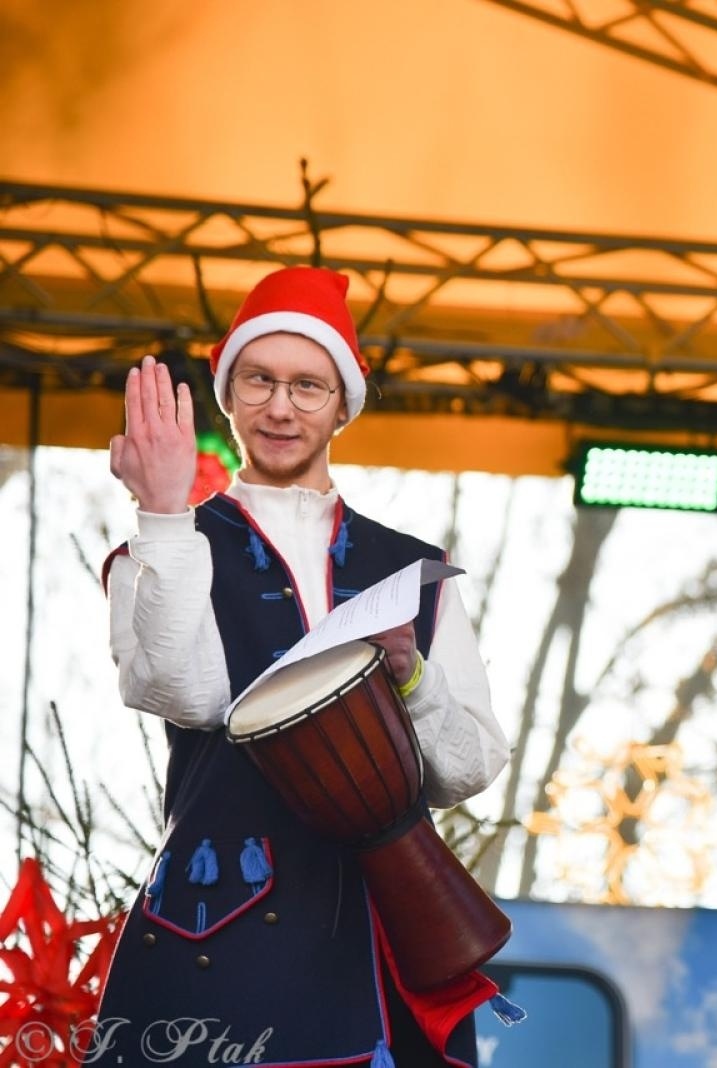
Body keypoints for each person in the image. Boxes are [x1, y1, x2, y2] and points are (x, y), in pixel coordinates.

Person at [97, 266, 513, 1067]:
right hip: (220, 935)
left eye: (308, 386)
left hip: (381, 927)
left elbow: (470, 766)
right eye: (258, 380)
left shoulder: (411, 566)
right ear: (228, 393)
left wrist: (412, 680)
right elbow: (188, 694)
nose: (281, 407)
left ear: (343, 405)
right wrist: (161, 511)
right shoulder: (158, 545)